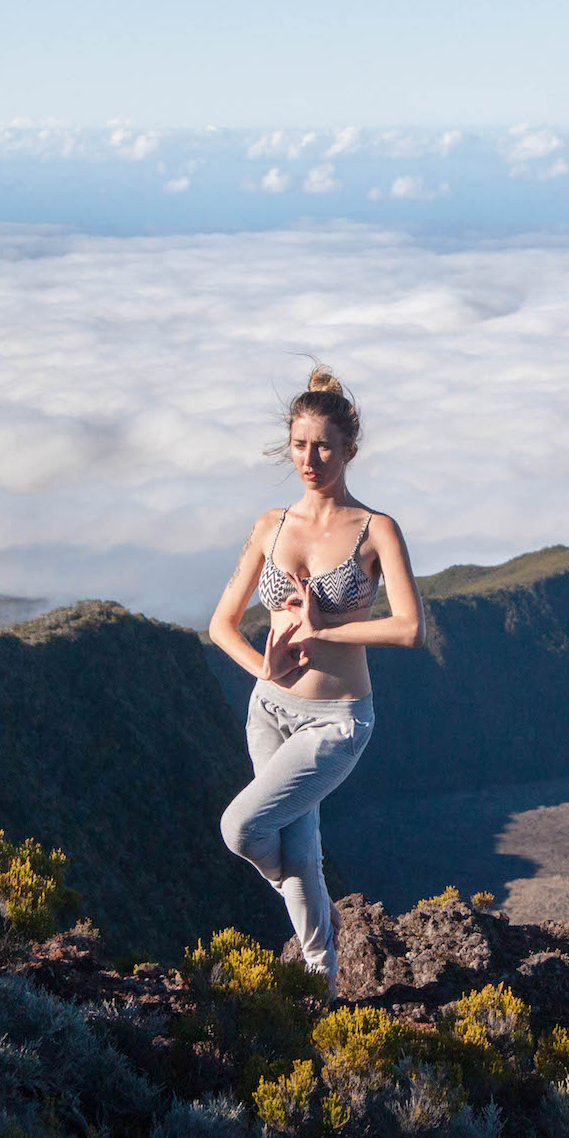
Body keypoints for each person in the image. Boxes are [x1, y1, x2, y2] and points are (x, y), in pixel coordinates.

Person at [208, 364, 424, 998]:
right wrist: (265, 668)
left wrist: (324, 631)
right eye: (300, 445)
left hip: (336, 720)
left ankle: (318, 950)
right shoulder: (271, 524)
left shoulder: (375, 529)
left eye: (324, 445)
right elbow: (222, 625)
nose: (310, 458)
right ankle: (320, 983)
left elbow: (409, 628)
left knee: (242, 829)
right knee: (299, 855)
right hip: (268, 711)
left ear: (350, 449)